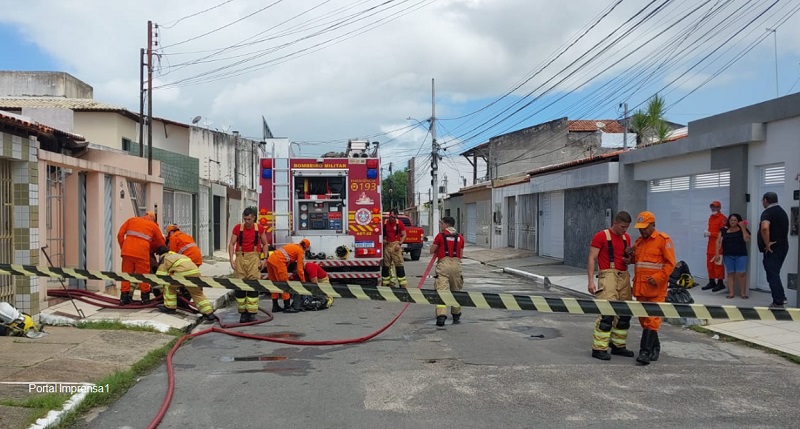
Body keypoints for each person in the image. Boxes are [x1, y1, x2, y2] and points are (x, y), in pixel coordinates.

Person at [587, 211, 635, 361]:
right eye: (622, 227)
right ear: (615, 223)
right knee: (607, 313)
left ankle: (618, 346)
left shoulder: (626, 238)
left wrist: (629, 259)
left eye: (627, 227)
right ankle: (599, 349)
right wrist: (590, 281)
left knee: (625, 313)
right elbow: (592, 258)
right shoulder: (601, 236)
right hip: (608, 276)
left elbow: (627, 258)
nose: (625, 230)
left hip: (623, 276)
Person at [631, 211, 676, 366]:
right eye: (640, 228)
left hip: (656, 289)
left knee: (652, 320)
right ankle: (655, 347)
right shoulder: (639, 242)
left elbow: (670, 264)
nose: (642, 230)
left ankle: (644, 352)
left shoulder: (663, 240)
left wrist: (657, 278)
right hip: (641, 288)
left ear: (653, 225)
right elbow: (637, 261)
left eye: (644, 227)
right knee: (644, 320)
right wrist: (628, 257)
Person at [227, 208, 269, 323]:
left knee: (253, 284)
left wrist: (264, 259)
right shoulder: (237, 228)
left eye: (249, 219)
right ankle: (243, 313)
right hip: (240, 257)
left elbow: (265, 244)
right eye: (245, 219)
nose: (247, 221)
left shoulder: (259, 229)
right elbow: (231, 244)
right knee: (240, 285)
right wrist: (231, 260)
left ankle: (252, 313)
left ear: (254, 217)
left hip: (254, 258)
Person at [153, 246, 215, 322]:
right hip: (195, 272)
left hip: (182, 274)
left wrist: (156, 287)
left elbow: (160, 276)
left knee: (168, 285)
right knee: (197, 293)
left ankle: (170, 307)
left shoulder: (165, 258)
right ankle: (208, 313)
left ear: (160, 254)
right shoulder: (178, 255)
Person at [117, 211, 166, 305]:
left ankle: (124, 298)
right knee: (144, 277)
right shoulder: (153, 226)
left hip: (127, 252)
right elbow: (160, 242)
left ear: (144, 216)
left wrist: (123, 247)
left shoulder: (131, 220)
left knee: (126, 275)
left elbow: (120, 235)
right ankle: (145, 299)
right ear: (152, 219)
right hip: (142, 254)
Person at [430, 216, 465, 327]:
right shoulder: (460, 238)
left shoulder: (440, 236)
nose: (441, 226)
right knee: (456, 289)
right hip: (456, 265)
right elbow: (461, 254)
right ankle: (456, 313)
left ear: (446, 224)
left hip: (444, 265)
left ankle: (441, 316)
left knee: (442, 290)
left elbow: (432, 250)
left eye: (442, 224)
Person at [757, 192, 790, 309]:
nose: (762, 203)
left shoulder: (767, 213)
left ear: (765, 200)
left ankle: (779, 300)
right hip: (783, 246)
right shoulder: (782, 212)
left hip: (773, 248)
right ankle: (780, 297)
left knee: (772, 274)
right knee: (774, 273)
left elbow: (765, 227)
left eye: (762, 201)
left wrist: (767, 243)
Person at [267, 239, 311, 314]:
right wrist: (303, 282)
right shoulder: (300, 251)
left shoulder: (292, 245)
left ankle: (275, 306)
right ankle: (287, 307)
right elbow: (300, 269)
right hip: (279, 262)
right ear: (306, 247)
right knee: (284, 284)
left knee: (274, 284)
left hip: (271, 259)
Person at [715, 213, 750, 299]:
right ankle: (731, 293)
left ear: (738, 221)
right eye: (731, 220)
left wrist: (743, 227)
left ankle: (743, 293)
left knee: (741, 273)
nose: (733, 222)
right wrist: (716, 253)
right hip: (728, 255)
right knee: (730, 273)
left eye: (735, 220)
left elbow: (746, 239)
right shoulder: (724, 229)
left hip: (741, 255)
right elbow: (718, 241)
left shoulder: (743, 229)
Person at [701, 201, 728, 292]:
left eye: (715, 207)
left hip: (718, 245)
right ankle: (711, 281)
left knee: (718, 265)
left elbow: (723, 233)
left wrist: (710, 234)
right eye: (712, 207)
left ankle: (720, 283)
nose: (713, 209)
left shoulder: (723, 219)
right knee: (709, 264)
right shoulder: (711, 218)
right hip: (710, 245)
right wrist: (709, 234)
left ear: (719, 208)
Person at [382, 209, 407, 288]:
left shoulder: (399, 223)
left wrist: (399, 244)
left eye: (393, 217)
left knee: (399, 264)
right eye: (390, 216)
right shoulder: (384, 223)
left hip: (395, 245)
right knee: (386, 265)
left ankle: (402, 284)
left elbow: (404, 235)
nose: (391, 218)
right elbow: (379, 233)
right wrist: (383, 239)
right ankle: (386, 283)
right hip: (387, 245)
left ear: (396, 216)